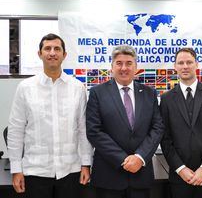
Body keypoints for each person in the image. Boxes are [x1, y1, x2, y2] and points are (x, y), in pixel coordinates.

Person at [8, 33, 93, 198]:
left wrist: (86, 164)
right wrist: (16, 168)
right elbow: (15, 130)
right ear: (40, 54)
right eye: (47, 48)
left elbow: (83, 129)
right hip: (35, 171)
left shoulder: (77, 88)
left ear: (64, 55)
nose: (52, 53)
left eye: (57, 49)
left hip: (71, 170)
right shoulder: (25, 88)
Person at [86, 45, 164, 198]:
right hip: (109, 176)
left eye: (129, 63)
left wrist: (140, 157)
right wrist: (123, 159)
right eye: (119, 63)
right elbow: (94, 131)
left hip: (141, 175)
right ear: (112, 67)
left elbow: (157, 128)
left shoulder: (149, 93)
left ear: (136, 67)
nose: (124, 68)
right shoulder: (97, 93)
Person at [160, 48, 202, 198]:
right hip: (179, 177)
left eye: (189, 62)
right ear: (175, 67)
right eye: (180, 63)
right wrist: (180, 168)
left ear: (196, 64)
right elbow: (165, 138)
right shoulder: (166, 99)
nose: (185, 66)